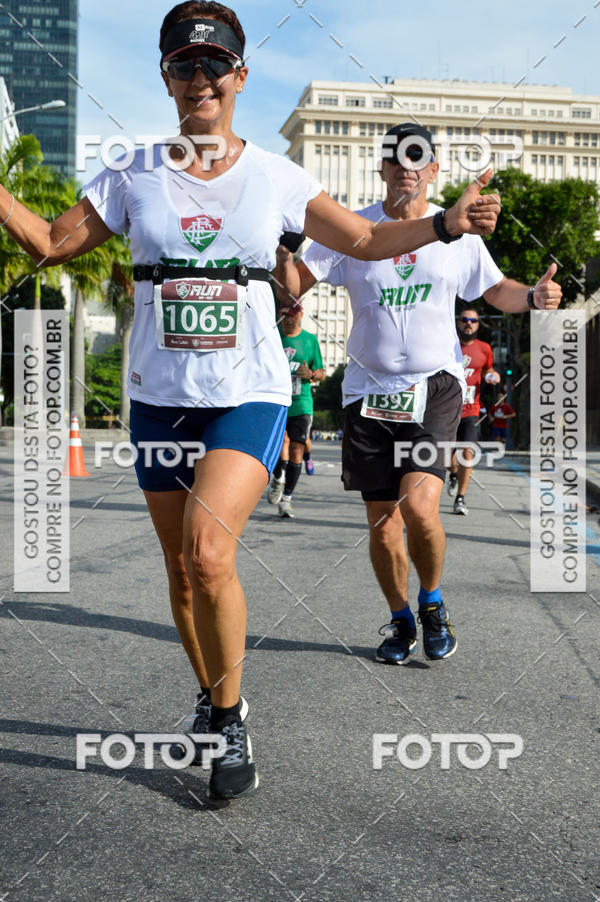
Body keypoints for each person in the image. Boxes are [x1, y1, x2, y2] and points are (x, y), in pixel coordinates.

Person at [0, 20, 500, 800]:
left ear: (239, 76)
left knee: (207, 553)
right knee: (177, 570)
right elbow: (49, 243)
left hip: (250, 388)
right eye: (183, 63)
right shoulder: (130, 170)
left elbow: (366, 238)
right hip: (158, 396)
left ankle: (230, 723)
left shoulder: (278, 176)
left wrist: (442, 225)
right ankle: (212, 691)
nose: (199, 77)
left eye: (215, 62)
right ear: (166, 78)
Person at [274, 122, 561, 667]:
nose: (407, 166)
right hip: (366, 391)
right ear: (382, 168)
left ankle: (432, 601)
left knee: (420, 506)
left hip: (435, 387)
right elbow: (294, 285)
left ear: (432, 170)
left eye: (419, 158)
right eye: (396, 157)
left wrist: (534, 295)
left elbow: (497, 290)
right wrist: (282, 248)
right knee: (383, 524)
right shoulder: (353, 231)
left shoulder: (458, 235)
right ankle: (402, 618)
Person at [267, 299, 324, 517]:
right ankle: (278, 477)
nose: (287, 320)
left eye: (291, 315)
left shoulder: (309, 340)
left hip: (301, 402)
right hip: (276, 400)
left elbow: (321, 372)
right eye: (283, 315)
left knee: (297, 449)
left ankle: (287, 499)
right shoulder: (272, 337)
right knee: (280, 442)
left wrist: (310, 374)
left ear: (300, 315)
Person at [447, 309, 500, 516]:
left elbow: (488, 369)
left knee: (467, 450)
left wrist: (492, 375)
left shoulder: (484, 348)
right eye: (465, 320)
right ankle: (452, 474)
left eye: (473, 321)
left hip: (471, 409)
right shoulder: (447, 346)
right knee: (446, 454)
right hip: (446, 409)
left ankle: (460, 498)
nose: (468, 323)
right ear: (458, 323)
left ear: (478, 324)